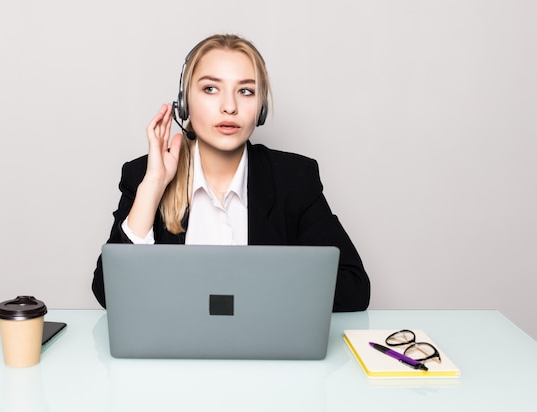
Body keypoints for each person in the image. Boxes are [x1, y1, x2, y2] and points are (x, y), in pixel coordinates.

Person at [92, 34, 370, 312]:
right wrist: (153, 186)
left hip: (263, 350)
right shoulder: (142, 173)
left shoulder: (294, 178)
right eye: (211, 89)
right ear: (184, 103)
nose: (230, 107)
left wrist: (251, 291)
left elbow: (354, 288)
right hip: (175, 353)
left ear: (261, 108)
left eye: (245, 91)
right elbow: (109, 293)